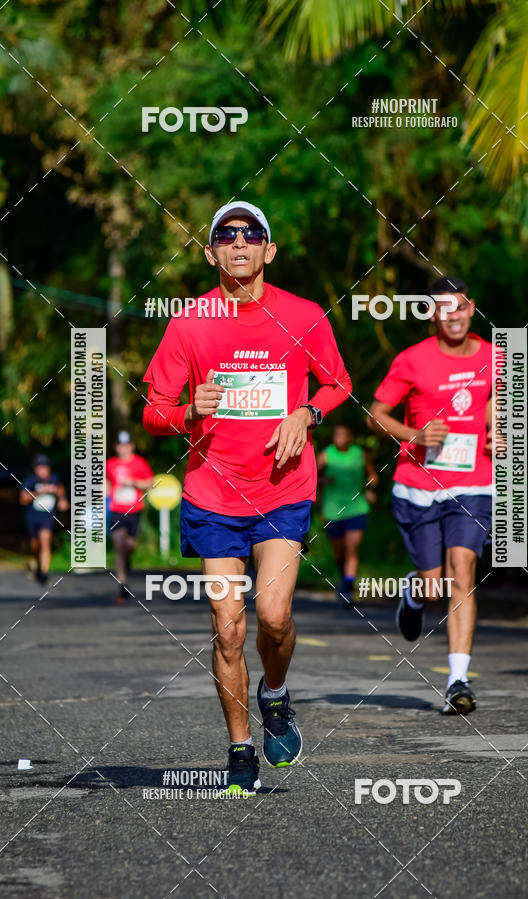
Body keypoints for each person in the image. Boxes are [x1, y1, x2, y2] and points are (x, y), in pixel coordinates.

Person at [142, 200, 351, 796]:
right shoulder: (189, 324)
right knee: (227, 627)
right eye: (226, 236)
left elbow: (339, 383)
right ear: (211, 253)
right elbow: (153, 411)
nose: (239, 243)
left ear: (269, 250)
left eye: (251, 233)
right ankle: (239, 747)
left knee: (274, 615)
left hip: (283, 489)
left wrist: (306, 413)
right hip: (212, 495)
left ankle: (276, 694)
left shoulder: (305, 316)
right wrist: (187, 412)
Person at [368, 276, 499, 716]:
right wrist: (416, 434)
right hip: (419, 486)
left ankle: (458, 680)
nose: (454, 315)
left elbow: (494, 402)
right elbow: (376, 415)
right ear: (432, 315)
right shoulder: (411, 361)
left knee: (462, 570)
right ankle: (413, 593)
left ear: (471, 308)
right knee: (433, 582)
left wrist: (498, 431)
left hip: (473, 483)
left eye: (460, 307)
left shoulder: (495, 356)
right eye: (444, 309)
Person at [317, 424, 378, 607]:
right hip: (332, 510)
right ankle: (344, 577)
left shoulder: (359, 454)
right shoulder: (326, 455)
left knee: (352, 547)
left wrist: (371, 488)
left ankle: (349, 586)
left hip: (356, 507)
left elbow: (373, 475)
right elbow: (311, 477)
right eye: (336, 433)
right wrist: (324, 481)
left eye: (343, 434)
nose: (339, 437)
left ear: (350, 437)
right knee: (339, 550)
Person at [106, 431, 154, 604]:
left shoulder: (139, 463)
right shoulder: (110, 464)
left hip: (134, 510)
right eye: (120, 445)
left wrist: (133, 482)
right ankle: (122, 584)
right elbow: (106, 484)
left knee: (130, 545)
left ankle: (126, 561)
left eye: (126, 445)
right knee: (119, 542)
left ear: (131, 446)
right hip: (117, 510)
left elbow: (151, 483)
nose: (123, 448)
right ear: (116, 446)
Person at [20, 454, 69, 584]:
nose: (43, 470)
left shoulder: (54, 479)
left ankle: (43, 572)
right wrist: (40, 492)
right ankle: (37, 563)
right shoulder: (31, 480)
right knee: (35, 545)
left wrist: (62, 500)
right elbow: (23, 499)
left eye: (45, 467)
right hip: (33, 516)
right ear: (36, 469)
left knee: (45, 541)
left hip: (47, 516)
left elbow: (60, 490)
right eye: (40, 467)